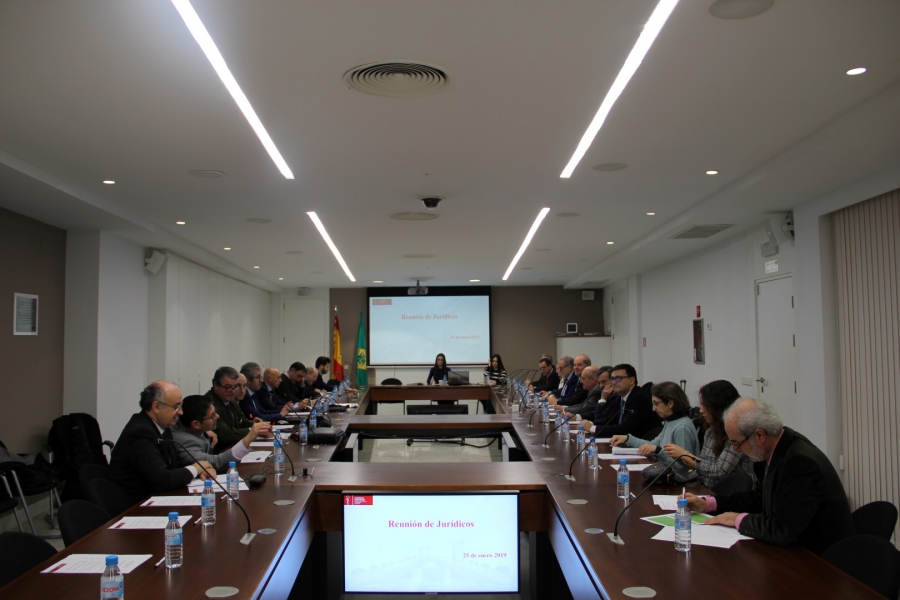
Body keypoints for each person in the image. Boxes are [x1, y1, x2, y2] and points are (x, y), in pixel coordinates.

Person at [685, 398, 854, 555]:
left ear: (759, 435)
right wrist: (709, 504)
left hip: (819, 560)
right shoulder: (779, 448)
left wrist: (739, 519)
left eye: (736, 443)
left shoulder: (801, 463)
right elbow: (758, 497)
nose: (736, 449)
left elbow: (783, 530)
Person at [109, 381, 215, 504]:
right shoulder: (139, 433)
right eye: (176, 407)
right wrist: (196, 469)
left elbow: (175, 462)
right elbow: (162, 479)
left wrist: (200, 471)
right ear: (156, 407)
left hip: (158, 497)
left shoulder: (162, 426)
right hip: (136, 506)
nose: (180, 412)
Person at [662, 380, 756, 491]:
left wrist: (685, 455)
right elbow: (705, 465)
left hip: (733, 496)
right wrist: (684, 461)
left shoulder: (739, 434)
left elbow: (718, 471)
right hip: (709, 490)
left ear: (719, 406)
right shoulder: (711, 432)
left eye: (705, 405)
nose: (701, 410)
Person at [610, 381, 699, 472]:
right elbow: (652, 445)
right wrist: (628, 438)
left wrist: (658, 451)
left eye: (656, 404)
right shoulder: (670, 421)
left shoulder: (682, 427)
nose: (653, 409)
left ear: (670, 403)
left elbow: (683, 467)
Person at [171, 394, 272, 471]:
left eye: (215, 412)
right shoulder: (185, 441)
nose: (217, 417)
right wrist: (249, 438)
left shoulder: (190, 423)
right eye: (212, 416)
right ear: (196, 424)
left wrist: (206, 430)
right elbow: (217, 462)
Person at [585, 363, 658, 438]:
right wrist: (590, 423)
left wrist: (592, 428)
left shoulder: (639, 398)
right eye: (612, 379)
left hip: (640, 444)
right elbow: (610, 420)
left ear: (632, 380)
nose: (613, 382)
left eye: (618, 378)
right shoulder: (620, 397)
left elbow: (624, 429)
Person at [208, 366, 261, 451]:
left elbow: (242, 421)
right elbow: (224, 435)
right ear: (216, 385)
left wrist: (256, 425)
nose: (233, 391)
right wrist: (252, 430)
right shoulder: (210, 405)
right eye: (228, 387)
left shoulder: (231, 400)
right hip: (220, 453)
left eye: (235, 386)